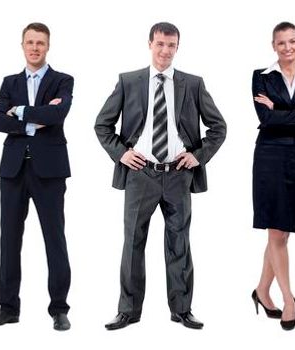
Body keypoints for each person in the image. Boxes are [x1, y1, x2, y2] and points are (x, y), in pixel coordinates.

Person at [94, 22, 226, 331]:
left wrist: (197, 155)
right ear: (150, 44)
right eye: (160, 44)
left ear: (177, 47)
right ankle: (128, 311)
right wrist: (121, 153)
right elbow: (103, 124)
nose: (165, 51)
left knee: (179, 242)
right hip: (141, 175)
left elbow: (218, 127)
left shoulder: (192, 84)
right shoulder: (129, 82)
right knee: (133, 243)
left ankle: (181, 309)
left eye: (171, 45)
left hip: (178, 175)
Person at [0, 22, 74, 332]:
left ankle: (59, 309)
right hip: (12, 170)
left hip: (49, 171)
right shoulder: (9, 82)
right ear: (22, 45)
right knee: (9, 240)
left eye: (40, 43)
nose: (35, 47)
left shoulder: (63, 80)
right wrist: (35, 119)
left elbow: (57, 115)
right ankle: (7, 307)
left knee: (55, 239)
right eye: (30, 42)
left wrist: (19, 111)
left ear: (48, 46)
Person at [249, 21, 295, 332]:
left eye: (292, 41)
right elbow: (266, 119)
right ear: (273, 45)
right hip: (269, 155)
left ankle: (261, 290)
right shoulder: (261, 77)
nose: (288, 47)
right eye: (282, 43)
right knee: (277, 231)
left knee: (283, 231)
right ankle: (289, 298)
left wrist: (282, 111)